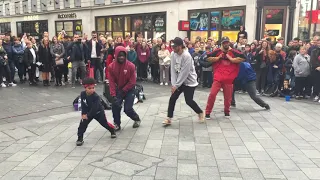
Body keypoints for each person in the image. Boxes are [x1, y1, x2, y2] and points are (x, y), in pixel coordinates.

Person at [162, 37, 204, 125]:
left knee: (188, 101)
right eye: (172, 46)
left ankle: (200, 112)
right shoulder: (173, 54)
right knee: (172, 98)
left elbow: (184, 73)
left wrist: (176, 85)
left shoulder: (187, 56)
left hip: (189, 82)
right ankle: (169, 118)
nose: (173, 48)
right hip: (179, 81)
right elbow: (173, 70)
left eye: (175, 46)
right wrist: (174, 84)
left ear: (180, 46)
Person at [205, 36, 245, 119]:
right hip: (218, 78)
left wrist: (232, 59)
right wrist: (218, 58)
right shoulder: (217, 51)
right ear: (222, 43)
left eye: (227, 42)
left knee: (228, 97)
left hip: (229, 79)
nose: (226, 44)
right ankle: (208, 112)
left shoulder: (234, 52)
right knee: (212, 94)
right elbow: (207, 58)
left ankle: (227, 111)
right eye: (224, 42)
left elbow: (244, 58)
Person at [108, 46, 141, 131]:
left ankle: (136, 119)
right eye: (119, 55)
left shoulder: (131, 66)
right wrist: (113, 94)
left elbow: (132, 81)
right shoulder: (111, 67)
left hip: (130, 89)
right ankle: (117, 124)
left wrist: (123, 90)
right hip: (118, 89)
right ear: (116, 55)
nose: (121, 57)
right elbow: (111, 82)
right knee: (115, 106)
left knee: (127, 109)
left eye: (123, 55)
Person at [76, 77, 116, 146]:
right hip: (88, 112)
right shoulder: (82, 94)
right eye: (89, 88)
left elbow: (95, 108)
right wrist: (83, 114)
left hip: (98, 113)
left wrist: (87, 116)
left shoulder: (96, 97)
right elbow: (83, 104)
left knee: (104, 123)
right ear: (85, 88)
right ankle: (80, 138)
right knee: (82, 124)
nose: (92, 90)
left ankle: (112, 130)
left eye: (93, 88)